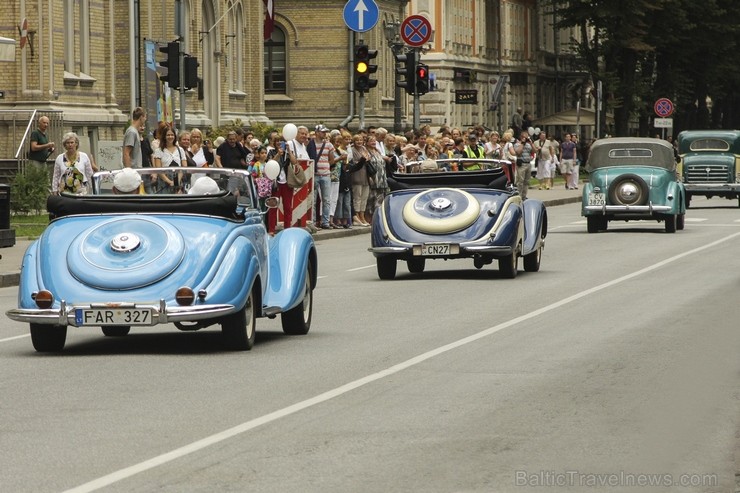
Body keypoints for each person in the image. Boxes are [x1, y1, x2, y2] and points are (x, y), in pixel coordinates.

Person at [307, 124, 335, 229]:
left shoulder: (329, 145)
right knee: (313, 200)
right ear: (317, 132)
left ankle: (325, 222)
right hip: (314, 174)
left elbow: (331, 159)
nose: (324, 134)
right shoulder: (310, 144)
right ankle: (313, 222)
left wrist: (326, 165)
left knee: (326, 199)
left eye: (325, 132)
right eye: (322, 132)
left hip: (326, 174)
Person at [152, 126, 186, 193]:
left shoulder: (180, 150)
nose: (170, 137)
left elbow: (184, 166)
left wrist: (177, 181)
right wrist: (169, 181)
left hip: (178, 180)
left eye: (172, 135)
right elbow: (158, 169)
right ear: (164, 136)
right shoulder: (159, 151)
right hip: (164, 182)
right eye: (168, 135)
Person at [347, 134, 372, 227]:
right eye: (357, 140)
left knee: (364, 198)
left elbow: (368, 159)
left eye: (361, 140)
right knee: (357, 197)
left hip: (365, 176)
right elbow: (353, 162)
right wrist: (362, 160)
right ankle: (357, 216)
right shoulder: (352, 150)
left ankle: (362, 215)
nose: (359, 142)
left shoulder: (364, 149)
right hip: (356, 176)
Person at [514, 130, 535, 200]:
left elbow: (534, 151)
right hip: (521, 164)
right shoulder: (517, 144)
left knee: (526, 181)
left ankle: (524, 196)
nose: (525, 138)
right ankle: (518, 195)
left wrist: (531, 143)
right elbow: (518, 152)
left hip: (528, 164)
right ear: (521, 137)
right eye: (524, 137)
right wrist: (522, 143)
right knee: (520, 181)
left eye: (526, 137)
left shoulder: (529, 144)